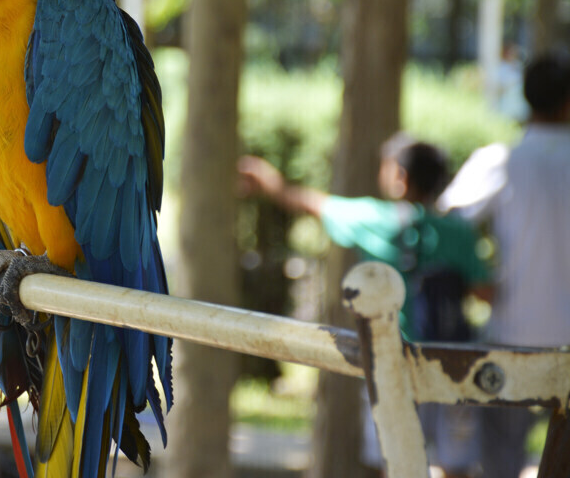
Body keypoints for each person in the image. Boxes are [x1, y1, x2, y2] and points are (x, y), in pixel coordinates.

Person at [239, 133, 490, 478]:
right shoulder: (458, 231)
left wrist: (268, 181)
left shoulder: (376, 219)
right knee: (455, 463)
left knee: (391, 460)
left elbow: (310, 203)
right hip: (453, 360)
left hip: (394, 359)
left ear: (401, 178)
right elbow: (484, 290)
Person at [439, 50, 570, 478]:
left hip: (514, 335)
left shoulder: (502, 160)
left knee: (501, 459)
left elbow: (446, 225)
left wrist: (478, 278)